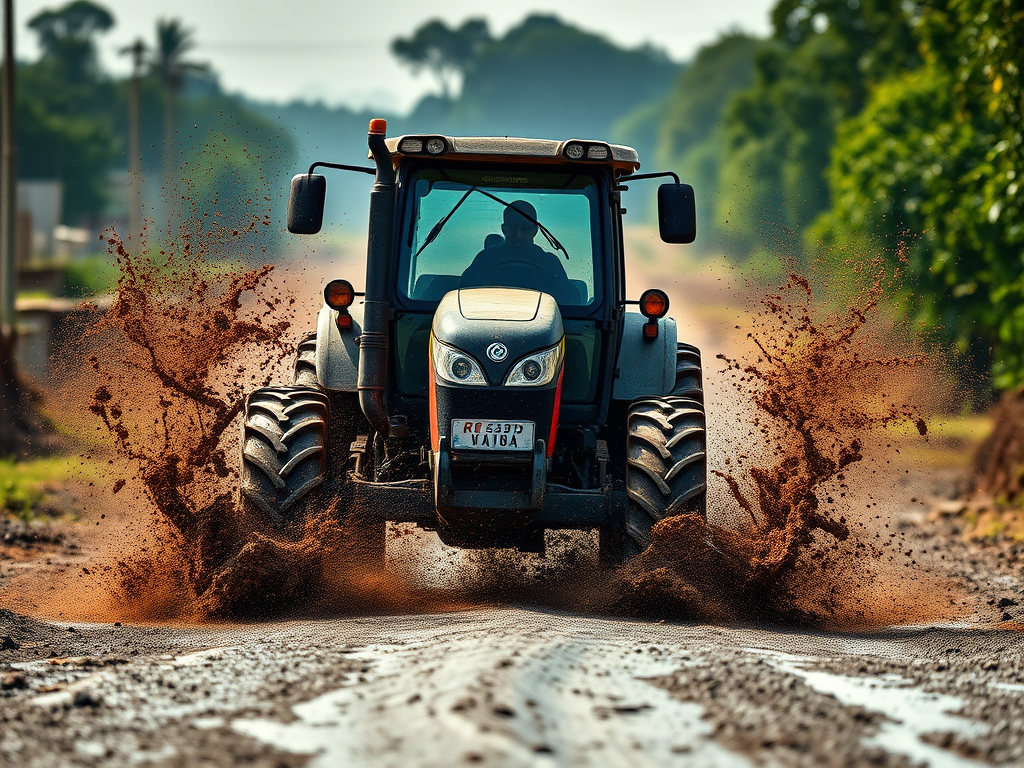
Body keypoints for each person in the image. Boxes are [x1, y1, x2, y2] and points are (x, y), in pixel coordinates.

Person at [460, 200, 576, 303]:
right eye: (512, 227)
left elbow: (569, 302)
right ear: (504, 229)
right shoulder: (485, 259)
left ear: (535, 230)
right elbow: (464, 296)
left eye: (525, 228)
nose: (518, 235)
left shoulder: (550, 263)